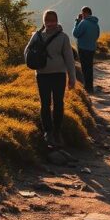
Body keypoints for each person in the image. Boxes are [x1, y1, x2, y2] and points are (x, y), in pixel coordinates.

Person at [25, 10, 77, 147]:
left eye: (52, 20)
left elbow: (69, 59)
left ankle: (56, 131)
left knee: (58, 103)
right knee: (45, 103)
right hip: (42, 75)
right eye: (48, 20)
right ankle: (48, 131)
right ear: (44, 21)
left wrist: (72, 78)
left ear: (57, 20)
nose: (50, 23)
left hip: (58, 74)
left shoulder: (63, 37)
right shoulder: (36, 36)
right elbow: (27, 52)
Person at [72, 6, 101, 94]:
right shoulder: (96, 24)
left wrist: (77, 22)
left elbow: (75, 33)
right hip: (91, 48)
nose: (82, 15)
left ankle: (87, 88)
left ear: (85, 13)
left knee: (84, 68)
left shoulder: (83, 22)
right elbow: (97, 35)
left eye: (82, 13)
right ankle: (90, 87)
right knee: (89, 67)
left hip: (83, 48)